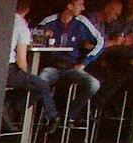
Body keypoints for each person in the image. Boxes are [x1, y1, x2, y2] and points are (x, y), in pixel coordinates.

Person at [36, 0, 105, 123]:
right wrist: (43, 35)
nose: (83, 8)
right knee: (40, 80)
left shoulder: (82, 22)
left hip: (72, 67)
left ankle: (68, 115)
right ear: (69, 6)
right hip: (52, 66)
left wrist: (84, 63)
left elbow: (101, 42)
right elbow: (33, 36)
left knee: (94, 84)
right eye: (80, 4)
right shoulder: (49, 21)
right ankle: (53, 116)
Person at [9, 0, 58, 135]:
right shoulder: (22, 28)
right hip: (9, 70)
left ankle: (12, 108)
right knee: (42, 85)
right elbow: (21, 60)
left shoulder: (3, 20)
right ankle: (52, 116)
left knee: (32, 83)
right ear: (27, 10)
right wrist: (26, 73)